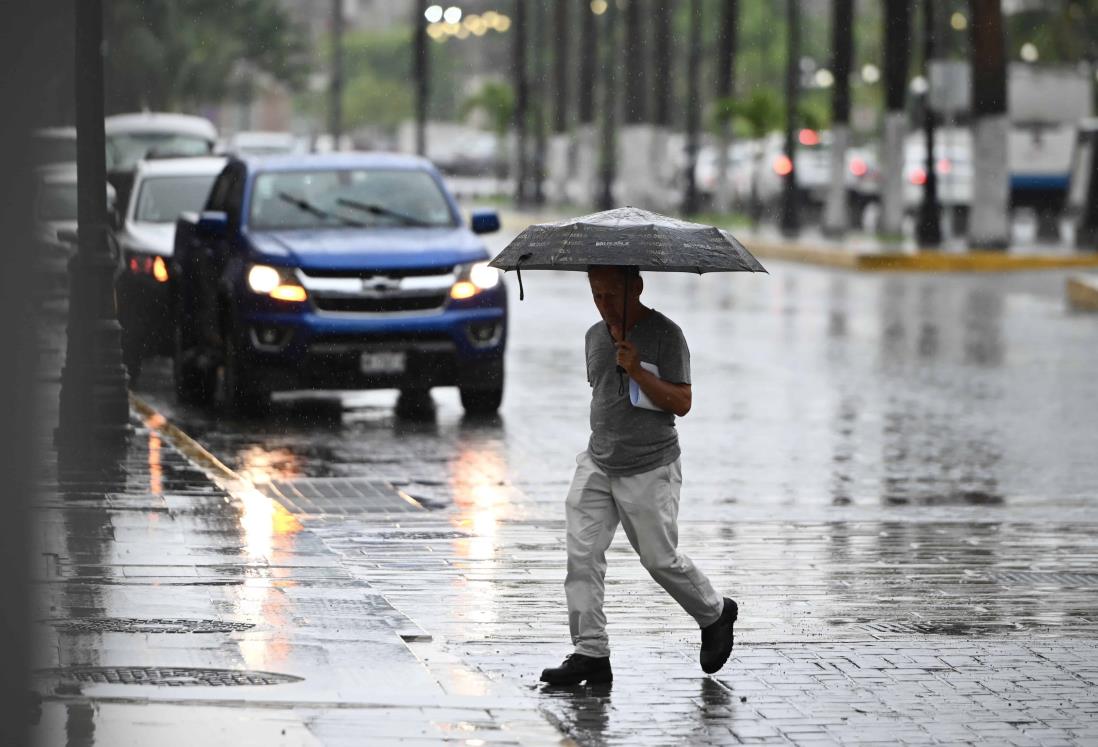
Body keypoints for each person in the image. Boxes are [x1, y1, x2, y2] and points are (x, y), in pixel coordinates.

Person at [540, 264, 737, 686]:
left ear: (637, 288)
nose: (603, 303)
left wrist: (640, 371)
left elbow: (681, 402)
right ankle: (590, 651)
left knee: (659, 559)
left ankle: (715, 612)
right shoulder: (594, 336)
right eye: (596, 294)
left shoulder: (667, 334)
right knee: (582, 555)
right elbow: (605, 396)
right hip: (598, 460)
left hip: (650, 464)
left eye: (611, 294)